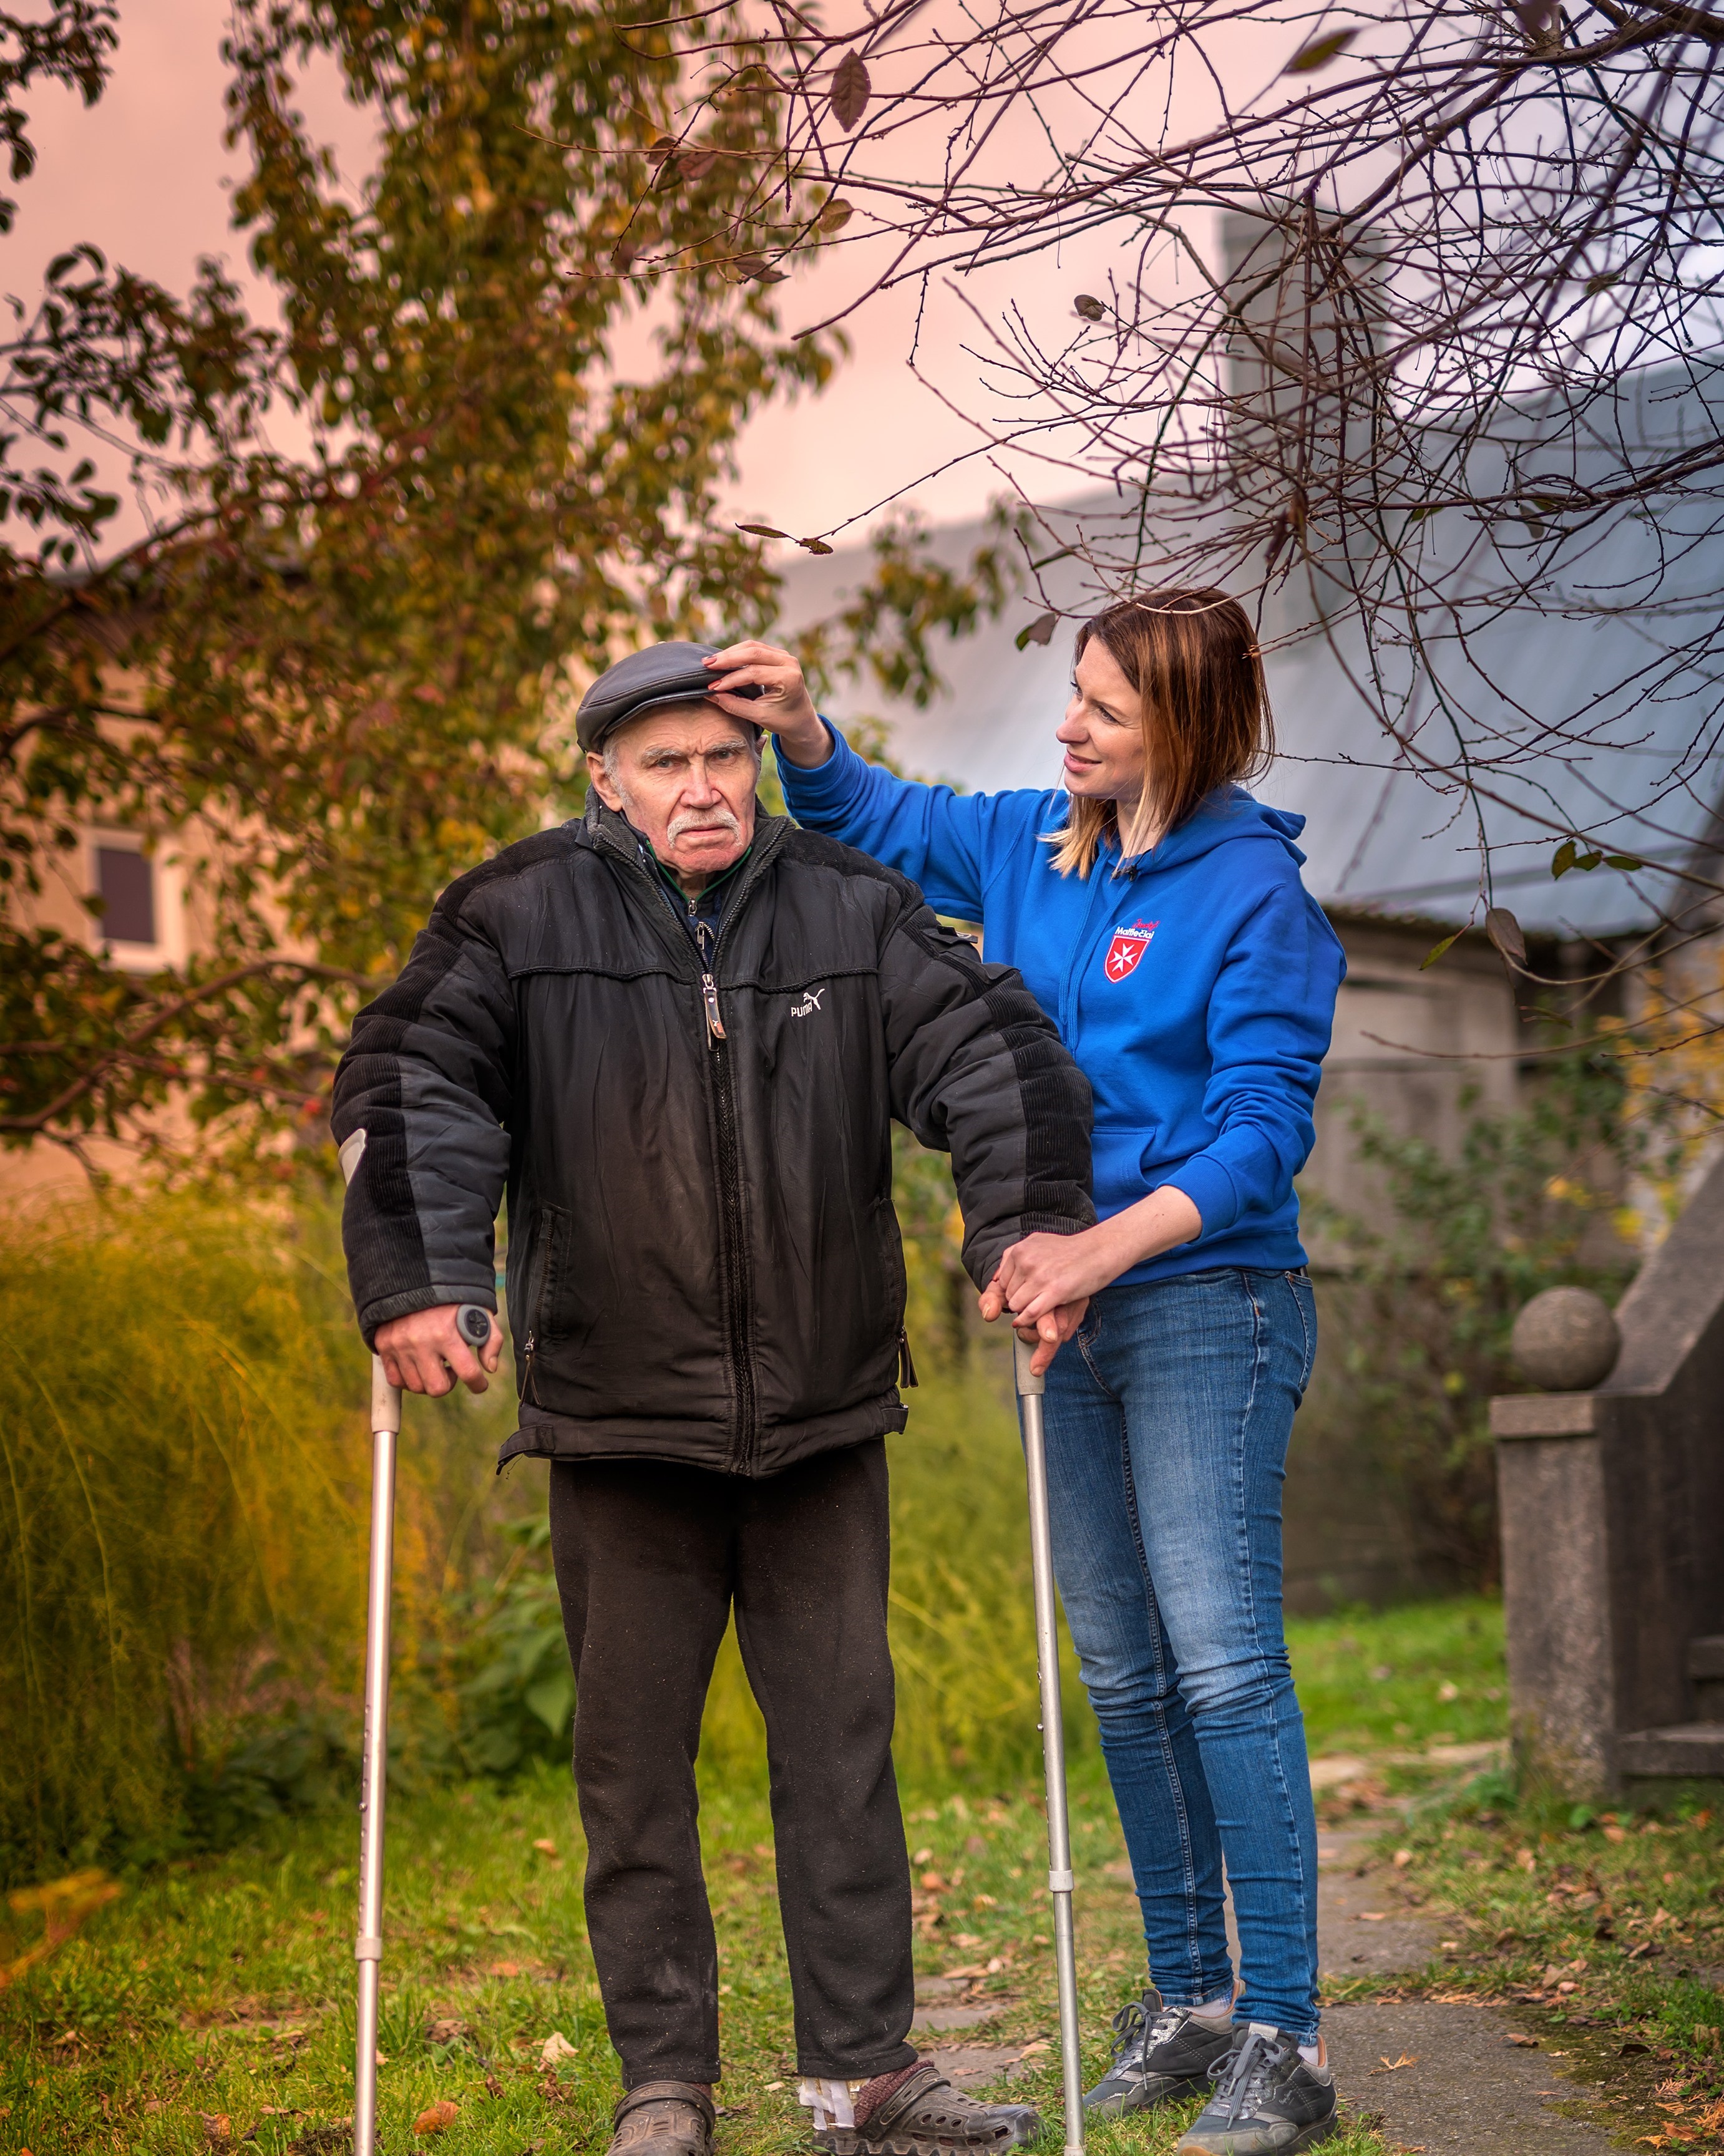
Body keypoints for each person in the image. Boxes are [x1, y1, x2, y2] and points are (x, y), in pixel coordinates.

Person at [331, 640, 1096, 2156]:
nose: (704, 787)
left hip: (819, 1412)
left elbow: (995, 1052)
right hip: (618, 1419)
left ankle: (861, 2076)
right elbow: (410, 1068)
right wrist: (422, 1274)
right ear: (605, 777)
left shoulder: (848, 908)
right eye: (667, 761)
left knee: (840, 1752)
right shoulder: (515, 911)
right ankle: (664, 2086)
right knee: (631, 1775)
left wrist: (1024, 1230)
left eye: (726, 756)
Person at [706, 593, 1347, 2156]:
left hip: (1206, 1302)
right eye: (1072, 697)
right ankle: (1188, 2001)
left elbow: (1263, 1133)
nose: (1069, 728)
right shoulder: (1037, 846)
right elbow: (874, 819)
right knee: (1124, 1673)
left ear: (1186, 728)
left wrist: (1095, 1247)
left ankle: (1286, 2034)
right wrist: (798, 732)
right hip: (1067, 1315)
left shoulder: (1257, 895)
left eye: (1106, 712)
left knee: (1219, 1664)